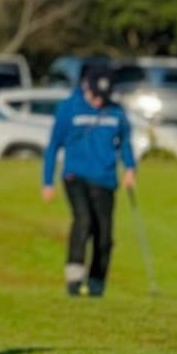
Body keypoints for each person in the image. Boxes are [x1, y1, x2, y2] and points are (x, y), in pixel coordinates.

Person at [43, 64, 136, 297]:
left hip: (105, 179)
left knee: (104, 236)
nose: (98, 101)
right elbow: (53, 146)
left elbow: (125, 142)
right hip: (76, 175)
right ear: (87, 87)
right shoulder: (69, 108)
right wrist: (47, 181)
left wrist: (130, 169)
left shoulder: (116, 112)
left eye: (103, 97)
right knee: (83, 220)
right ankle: (74, 278)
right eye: (95, 95)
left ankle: (97, 283)